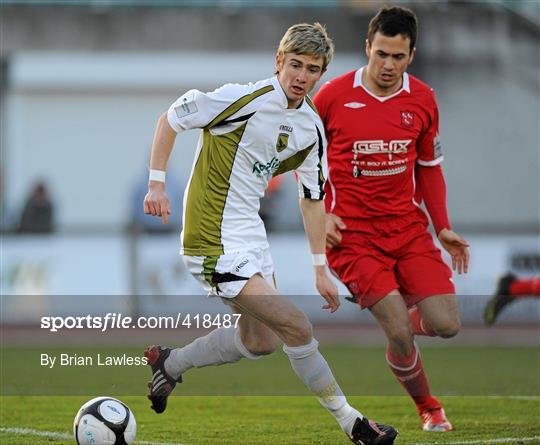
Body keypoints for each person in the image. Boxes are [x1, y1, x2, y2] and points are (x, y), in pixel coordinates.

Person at [142, 23, 397, 445]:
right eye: (295, 64)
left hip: (250, 239)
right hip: (211, 240)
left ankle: (169, 364)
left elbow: (312, 197)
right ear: (279, 62)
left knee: (259, 341)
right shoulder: (242, 99)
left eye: (312, 69)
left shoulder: (311, 127)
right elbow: (170, 119)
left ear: (321, 74)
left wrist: (320, 268)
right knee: (297, 327)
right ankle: (352, 423)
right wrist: (156, 184)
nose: (301, 75)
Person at [313, 6, 470, 433]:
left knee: (447, 324)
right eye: (380, 54)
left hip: (407, 229)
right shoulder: (331, 96)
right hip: (353, 236)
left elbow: (429, 167)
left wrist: (442, 226)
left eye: (397, 57)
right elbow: (304, 159)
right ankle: (429, 408)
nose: (387, 65)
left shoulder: (422, 99)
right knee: (399, 331)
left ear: (411, 56)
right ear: (367, 47)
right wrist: (322, 214)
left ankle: (395, 310)